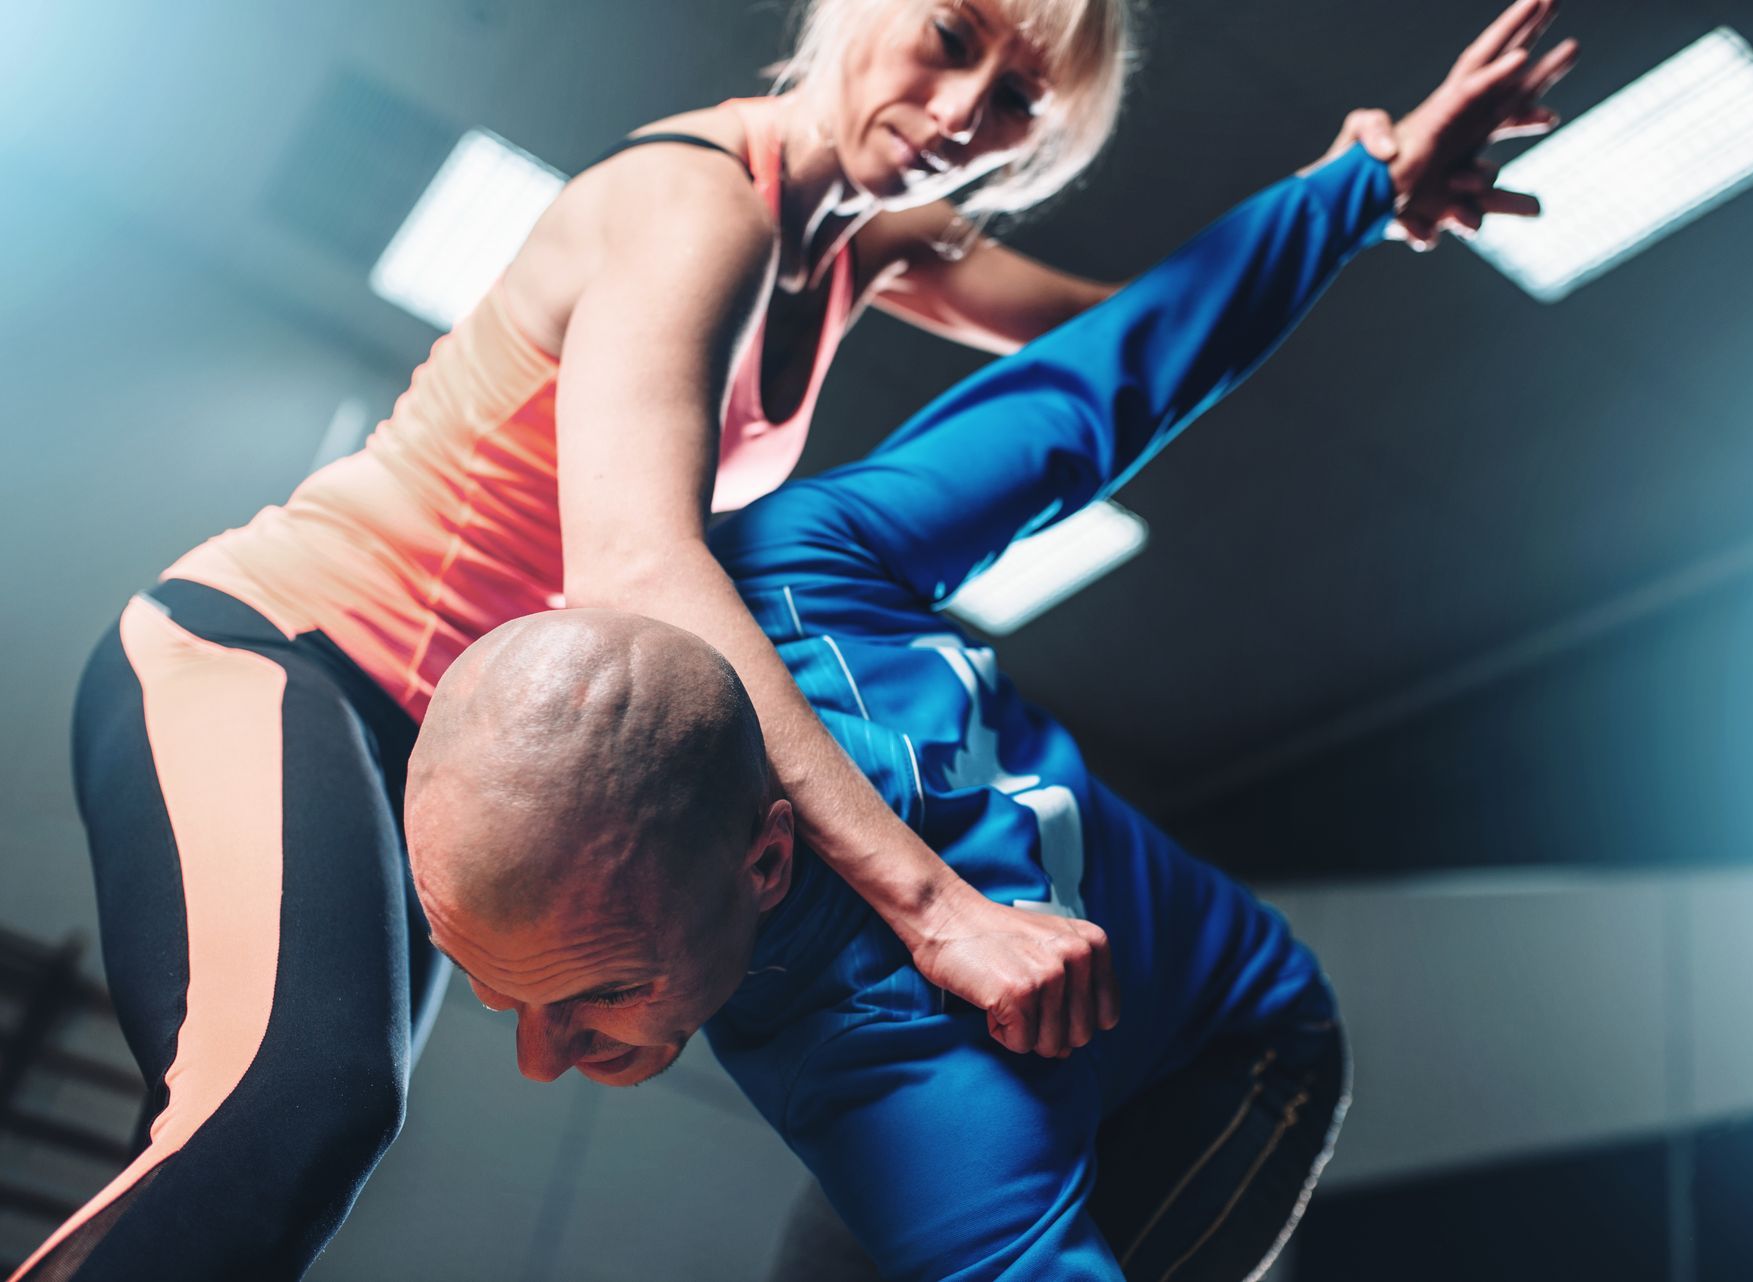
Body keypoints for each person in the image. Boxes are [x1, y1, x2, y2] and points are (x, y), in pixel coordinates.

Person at [17, 0, 1571, 1276]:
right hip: (280, 655)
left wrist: (1356, 191)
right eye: (953, 36)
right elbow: (641, 567)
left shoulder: (866, 247)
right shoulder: (696, 207)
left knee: (296, 1152)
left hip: (478, 752)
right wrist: (935, 903)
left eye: (1025, 98)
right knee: (294, 1111)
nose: (968, 107)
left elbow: (1107, 352)